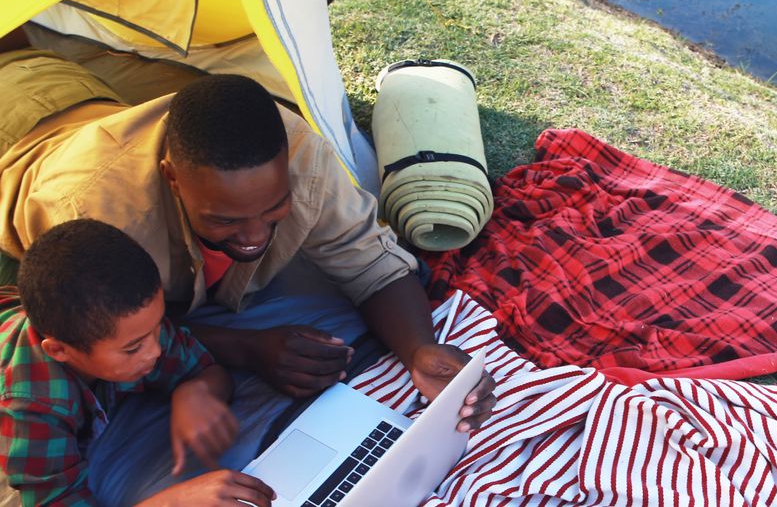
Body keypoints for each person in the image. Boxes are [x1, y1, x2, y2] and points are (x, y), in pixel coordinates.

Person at [0, 40, 495, 503]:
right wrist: (251, 348)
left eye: (275, 208)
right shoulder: (91, 214)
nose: (254, 237)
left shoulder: (297, 152)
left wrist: (418, 349)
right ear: (173, 178)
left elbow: (370, 261)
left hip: (84, 97)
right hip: (15, 123)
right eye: (225, 219)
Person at [0, 219, 276, 506]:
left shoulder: (131, 325)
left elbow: (205, 368)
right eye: (133, 349)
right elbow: (55, 500)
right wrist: (171, 502)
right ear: (59, 351)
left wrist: (196, 392)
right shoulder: (30, 405)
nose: (155, 351)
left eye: (158, 326)